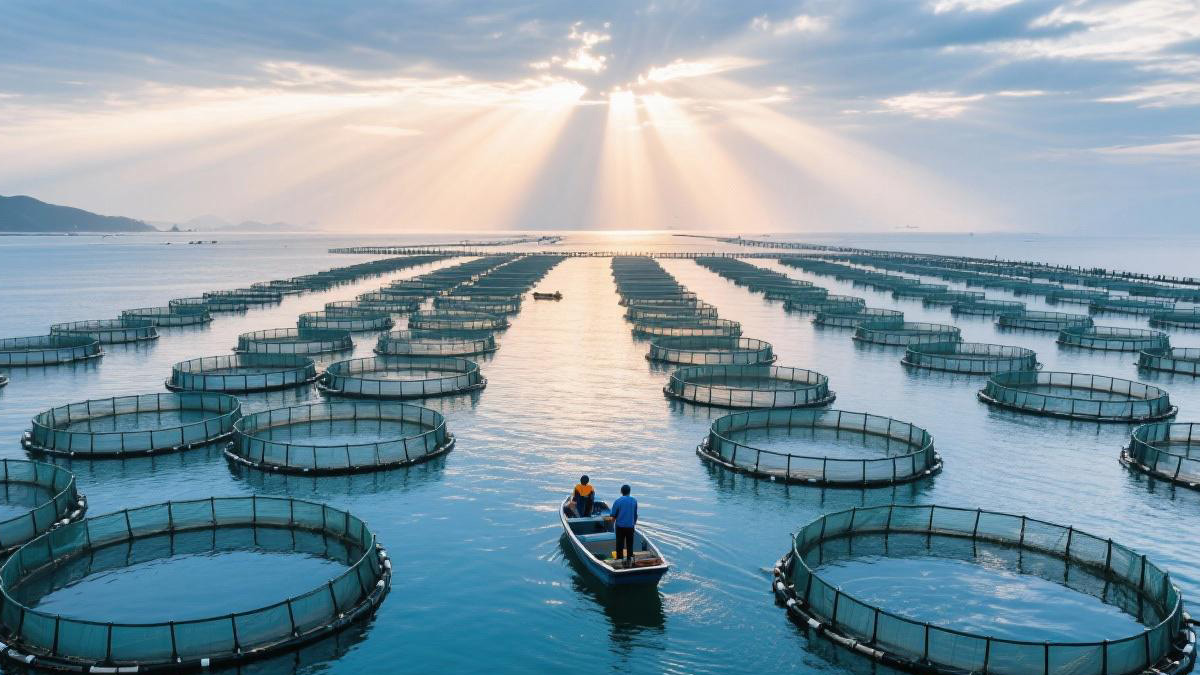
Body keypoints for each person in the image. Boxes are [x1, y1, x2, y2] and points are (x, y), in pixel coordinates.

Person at [610, 484, 638, 567]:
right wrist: (633, 524)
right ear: (629, 491)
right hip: (630, 526)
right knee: (630, 543)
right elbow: (635, 514)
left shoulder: (618, 501)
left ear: (621, 491)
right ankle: (629, 559)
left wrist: (611, 526)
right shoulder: (634, 501)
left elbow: (613, 515)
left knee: (620, 543)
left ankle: (620, 559)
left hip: (620, 526)